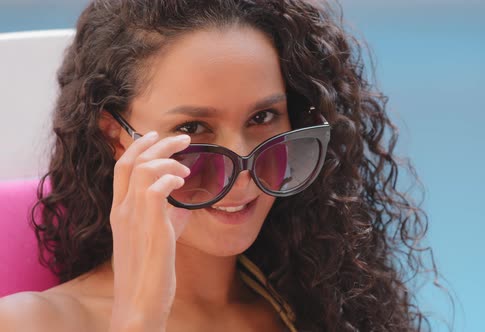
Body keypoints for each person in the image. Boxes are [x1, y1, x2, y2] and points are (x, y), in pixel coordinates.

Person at [0, 0, 435, 331]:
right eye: (194, 127)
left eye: (262, 117)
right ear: (116, 136)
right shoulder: (28, 323)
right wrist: (140, 315)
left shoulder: (322, 306)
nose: (245, 175)